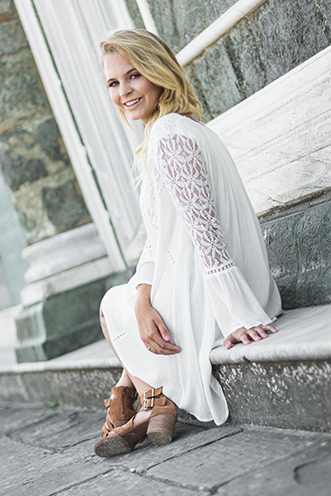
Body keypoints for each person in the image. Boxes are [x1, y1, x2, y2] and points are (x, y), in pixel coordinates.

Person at [93, 29, 282, 458]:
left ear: (159, 72)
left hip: (221, 302)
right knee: (129, 302)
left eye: (134, 76)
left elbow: (205, 234)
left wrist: (238, 313)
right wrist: (143, 296)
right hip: (215, 290)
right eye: (113, 83)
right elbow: (160, 239)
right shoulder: (171, 130)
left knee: (109, 305)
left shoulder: (171, 137)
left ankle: (150, 400)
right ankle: (142, 397)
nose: (123, 92)